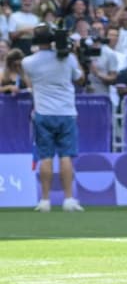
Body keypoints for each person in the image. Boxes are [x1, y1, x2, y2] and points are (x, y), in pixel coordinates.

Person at [21, 26, 86, 212]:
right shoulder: (68, 59)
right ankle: (68, 199)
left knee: (46, 156)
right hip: (66, 113)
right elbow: (80, 79)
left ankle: (45, 200)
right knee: (66, 156)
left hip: (43, 113)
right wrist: (74, 54)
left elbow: (29, 81)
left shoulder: (28, 62)